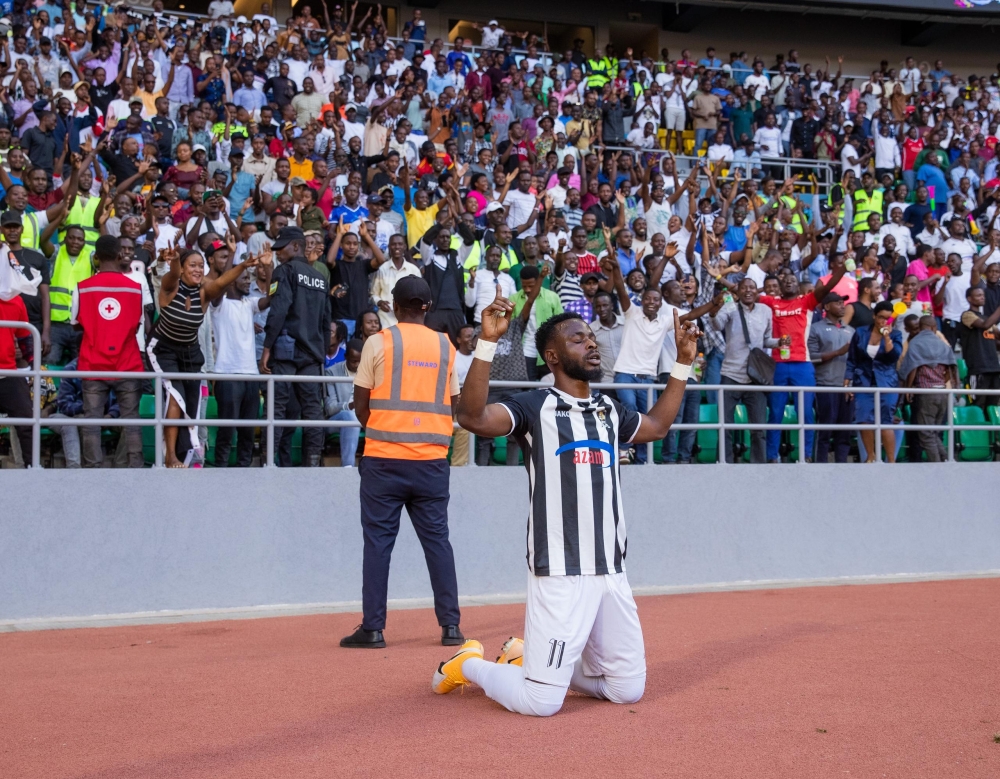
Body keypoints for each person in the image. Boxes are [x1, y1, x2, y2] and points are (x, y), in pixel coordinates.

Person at [433, 288, 702, 717]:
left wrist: (682, 362)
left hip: (612, 570)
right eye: (578, 339)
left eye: (591, 337)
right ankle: (471, 665)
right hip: (560, 570)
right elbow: (472, 418)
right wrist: (487, 341)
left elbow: (655, 427)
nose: (591, 343)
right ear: (553, 357)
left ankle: (530, 660)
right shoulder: (534, 406)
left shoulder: (608, 410)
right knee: (540, 703)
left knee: (627, 690)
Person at [342, 276, 463, 649]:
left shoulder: (378, 342)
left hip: (384, 460)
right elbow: (453, 403)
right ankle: (451, 628)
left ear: (395, 306)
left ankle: (374, 629)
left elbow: (361, 405)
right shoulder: (447, 346)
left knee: (378, 545)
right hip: (431, 462)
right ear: (427, 307)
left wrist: (385, 427)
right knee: (438, 544)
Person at [149, 246, 258, 468]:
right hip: (163, 350)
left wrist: (243, 266)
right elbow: (171, 273)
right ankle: (170, 456)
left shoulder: (204, 292)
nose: (198, 269)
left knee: (191, 403)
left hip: (190, 352)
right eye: (192, 265)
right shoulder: (171, 286)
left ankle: (187, 454)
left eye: (201, 266)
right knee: (175, 396)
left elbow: (221, 282)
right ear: (182, 269)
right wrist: (177, 260)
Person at [70, 235, 144, 468]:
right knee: (131, 420)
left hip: (93, 363)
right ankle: (135, 467)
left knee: (91, 421)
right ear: (120, 255)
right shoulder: (136, 289)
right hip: (128, 363)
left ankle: (93, 469)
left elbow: (74, 323)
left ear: (96, 256)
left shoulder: (82, 288)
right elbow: (138, 323)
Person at [260, 226, 331, 467]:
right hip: (311, 354)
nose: (278, 253)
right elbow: (325, 321)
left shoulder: (284, 271)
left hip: (285, 351)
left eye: (282, 248)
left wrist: (267, 346)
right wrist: (319, 353)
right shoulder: (321, 279)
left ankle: (268, 463)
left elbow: (278, 309)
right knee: (313, 411)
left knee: (276, 408)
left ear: (297, 246)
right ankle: (312, 464)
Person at [209, 251, 273, 468]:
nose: (249, 282)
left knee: (247, 431)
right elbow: (219, 285)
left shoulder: (249, 304)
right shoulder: (218, 304)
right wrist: (233, 256)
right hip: (227, 375)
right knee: (227, 430)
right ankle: (220, 470)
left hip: (250, 376)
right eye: (245, 278)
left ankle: (245, 470)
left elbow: (272, 296)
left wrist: (269, 267)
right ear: (232, 281)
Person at [710, 278, 777, 463]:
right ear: (737, 291)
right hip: (730, 374)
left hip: (755, 377)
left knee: (759, 429)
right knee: (725, 426)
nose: (748, 291)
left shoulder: (766, 311)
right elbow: (717, 325)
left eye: (752, 288)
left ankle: (758, 466)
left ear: (757, 291)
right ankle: (724, 463)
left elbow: (766, 340)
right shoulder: (730, 307)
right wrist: (715, 309)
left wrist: (779, 343)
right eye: (744, 288)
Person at [845, 301, 903, 463]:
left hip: (886, 382)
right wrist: (847, 382)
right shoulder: (861, 332)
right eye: (881, 317)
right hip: (863, 380)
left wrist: (887, 337)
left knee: (885, 420)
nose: (884, 321)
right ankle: (870, 456)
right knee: (864, 419)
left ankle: (891, 460)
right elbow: (852, 358)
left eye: (887, 318)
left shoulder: (896, 334)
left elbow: (894, 356)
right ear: (874, 316)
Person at [898, 316, 958, 463]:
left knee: (925, 433)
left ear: (921, 326)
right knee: (933, 432)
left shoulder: (916, 343)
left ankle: (938, 465)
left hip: (925, 393)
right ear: (933, 327)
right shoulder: (942, 344)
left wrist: (908, 389)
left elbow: (911, 369)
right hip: (943, 392)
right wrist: (943, 383)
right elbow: (951, 370)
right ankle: (946, 459)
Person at [808, 293, 854, 463]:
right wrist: (837, 352)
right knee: (824, 431)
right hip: (825, 385)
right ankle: (820, 466)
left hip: (846, 388)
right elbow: (811, 357)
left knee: (844, 433)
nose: (842, 306)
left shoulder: (851, 331)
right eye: (838, 303)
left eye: (843, 303)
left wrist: (852, 385)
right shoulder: (815, 328)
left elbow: (854, 362)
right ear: (826, 307)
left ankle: (841, 467)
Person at [0, 292, 33, 467]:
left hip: (9, 372)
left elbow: (25, 337)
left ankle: (32, 469)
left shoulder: (15, 298)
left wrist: (29, 365)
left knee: (27, 422)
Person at [957, 286, 1000, 411]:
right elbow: (985, 326)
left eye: (983, 295)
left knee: (993, 407)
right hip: (978, 368)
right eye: (978, 295)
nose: (982, 297)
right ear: (969, 299)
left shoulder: (987, 318)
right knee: (977, 405)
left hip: (993, 368)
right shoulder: (967, 315)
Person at [324, 338, 363, 467]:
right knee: (350, 416)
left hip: (365, 416)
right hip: (338, 419)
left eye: (360, 361)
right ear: (345, 356)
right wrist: (350, 405)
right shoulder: (332, 372)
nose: (357, 365)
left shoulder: (370, 371)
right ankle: (348, 467)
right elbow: (330, 408)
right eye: (353, 361)